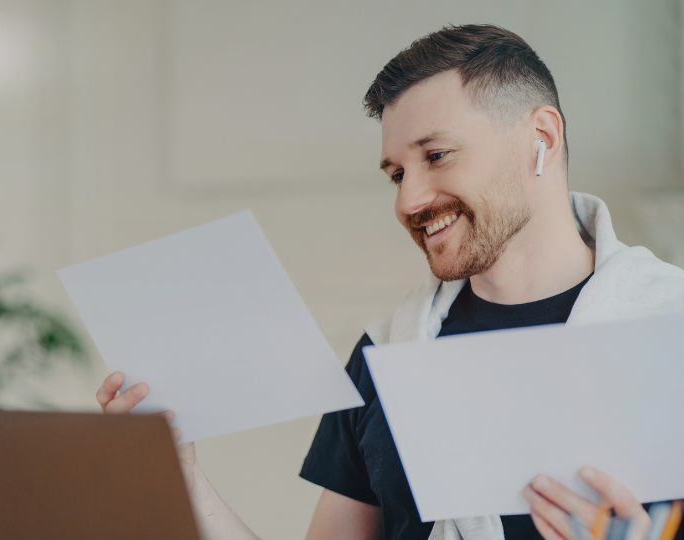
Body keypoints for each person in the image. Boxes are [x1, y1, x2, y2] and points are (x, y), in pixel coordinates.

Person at [96, 24, 684, 540]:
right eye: (397, 173)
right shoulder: (385, 355)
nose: (409, 200)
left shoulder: (671, 330)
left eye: (438, 155)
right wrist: (186, 482)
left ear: (542, 138)